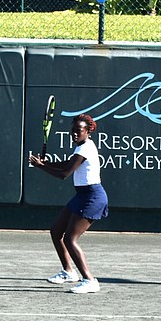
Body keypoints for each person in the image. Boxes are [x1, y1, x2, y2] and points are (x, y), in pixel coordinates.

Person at [28, 114, 107, 294]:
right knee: (56, 231)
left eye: (79, 131)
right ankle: (69, 272)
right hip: (81, 196)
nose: (74, 134)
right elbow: (66, 164)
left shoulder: (86, 148)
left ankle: (90, 280)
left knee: (70, 239)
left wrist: (41, 166)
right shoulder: (81, 147)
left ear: (88, 131)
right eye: (73, 130)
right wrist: (47, 163)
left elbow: (64, 173)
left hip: (92, 197)